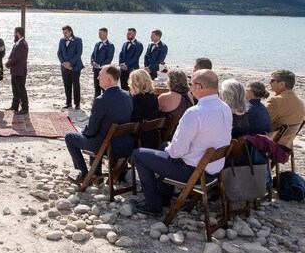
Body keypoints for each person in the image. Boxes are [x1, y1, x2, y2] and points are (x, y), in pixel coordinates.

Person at [131, 69, 232, 215]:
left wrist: (169, 149)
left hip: (193, 172)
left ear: (199, 87)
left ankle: (152, 204)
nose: (190, 88)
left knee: (138, 154)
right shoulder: (225, 108)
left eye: (192, 85)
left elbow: (177, 152)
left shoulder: (195, 112)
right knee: (163, 145)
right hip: (213, 170)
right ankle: (164, 197)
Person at [65, 65, 133, 184]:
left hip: (106, 146)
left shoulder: (102, 100)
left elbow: (91, 129)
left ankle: (85, 174)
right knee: (94, 134)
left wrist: (83, 133)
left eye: (100, 75)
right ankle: (96, 173)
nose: (97, 78)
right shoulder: (127, 95)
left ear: (109, 79)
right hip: (124, 143)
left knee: (70, 137)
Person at [266, 70, 305, 149]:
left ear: (282, 84)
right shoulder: (300, 103)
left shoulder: (276, 100)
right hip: (286, 145)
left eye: (272, 80)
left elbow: (264, 122)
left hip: (272, 144)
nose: (269, 83)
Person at [128, 69, 161, 149]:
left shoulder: (135, 99)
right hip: (152, 135)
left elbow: (133, 119)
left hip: (139, 137)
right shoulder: (153, 97)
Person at [57, 25, 83, 110]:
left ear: (70, 32)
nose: (64, 34)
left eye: (66, 32)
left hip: (75, 67)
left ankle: (77, 104)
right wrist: (63, 63)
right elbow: (59, 53)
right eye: (63, 33)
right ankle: (68, 103)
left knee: (76, 85)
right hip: (64, 67)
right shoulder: (61, 40)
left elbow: (78, 53)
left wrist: (70, 63)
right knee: (67, 85)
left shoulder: (78, 40)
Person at [6, 27, 29, 114]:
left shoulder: (23, 44)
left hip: (20, 70)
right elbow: (13, 55)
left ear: (18, 33)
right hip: (15, 70)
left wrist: (8, 63)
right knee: (15, 89)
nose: (14, 34)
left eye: (14, 32)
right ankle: (14, 106)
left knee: (21, 89)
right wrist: (9, 61)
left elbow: (17, 57)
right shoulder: (18, 43)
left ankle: (25, 108)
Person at [91, 28, 115, 98]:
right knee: (96, 87)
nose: (99, 35)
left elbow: (109, 58)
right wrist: (92, 62)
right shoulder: (97, 44)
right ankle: (97, 101)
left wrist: (100, 65)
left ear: (106, 34)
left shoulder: (110, 45)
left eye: (101, 33)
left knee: (104, 87)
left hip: (104, 70)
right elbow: (93, 55)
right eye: (99, 33)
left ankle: (105, 102)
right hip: (95, 69)